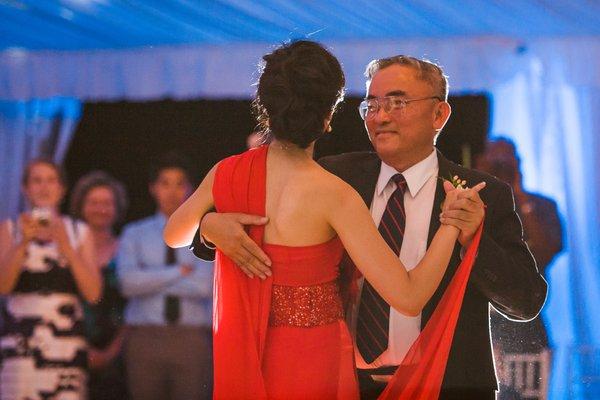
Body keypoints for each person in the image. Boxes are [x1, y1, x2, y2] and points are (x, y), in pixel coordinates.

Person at [191, 54, 548, 399]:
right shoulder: (332, 177)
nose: (380, 117)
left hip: (446, 386)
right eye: (371, 105)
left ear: (439, 113)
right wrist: (207, 226)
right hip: (343, 385)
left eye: (397, 103)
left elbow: (526, 302)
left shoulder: (479, 193)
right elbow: (256, 224)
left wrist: (474, 240)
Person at [0, 158, 101, 400]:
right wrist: (23, 242)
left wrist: (66, 246)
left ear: (62, 189)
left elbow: (93, 293)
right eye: (37, 180)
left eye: (51, 180)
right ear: (25, 188)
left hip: (65, 346)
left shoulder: (79, 231)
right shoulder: (10, 228)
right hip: (20, 344)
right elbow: (3, 286)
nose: (44, 187)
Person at [117, 154, 213, 400]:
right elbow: (128, 284)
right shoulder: (134, 233)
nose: (172, 191)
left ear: (191, 188)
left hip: (191, 338)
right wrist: (178, 272)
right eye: (165, 183)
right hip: (145, 337)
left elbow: (204, 286)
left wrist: (148, 279)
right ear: (153, 188)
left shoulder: (206, 232)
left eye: (180, 183)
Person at [475, 138, 563, 397]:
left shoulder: (542, 205)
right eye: (494, 162)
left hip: (527, 318)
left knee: (529, 393)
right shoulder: (474, 204)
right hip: (481, 318)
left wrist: (519, 193)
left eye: (506, 162)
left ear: (519, 163)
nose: (500, 168)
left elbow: (545, 253)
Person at [70, 171, 129, 400]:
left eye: (107, 203)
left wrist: (111, 352)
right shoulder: (68, 251)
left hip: (118, 352)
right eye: (93, 202)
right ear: (81, 206)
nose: (100, 209)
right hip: (70, 347)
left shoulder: (127, 249)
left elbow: (132, 306)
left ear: (117, 208)